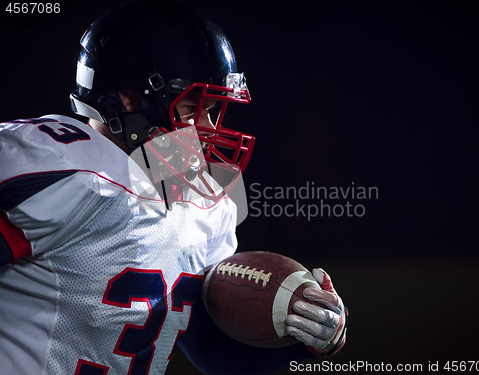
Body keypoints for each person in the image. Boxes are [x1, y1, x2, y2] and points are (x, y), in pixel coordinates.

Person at [0, 1, 347, 374]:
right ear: (130, 98)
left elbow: (212, 349)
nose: (210, 128)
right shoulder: (59, 169)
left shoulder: (206, 206)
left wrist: (310, 339)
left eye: (215, 109)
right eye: (195, 107)